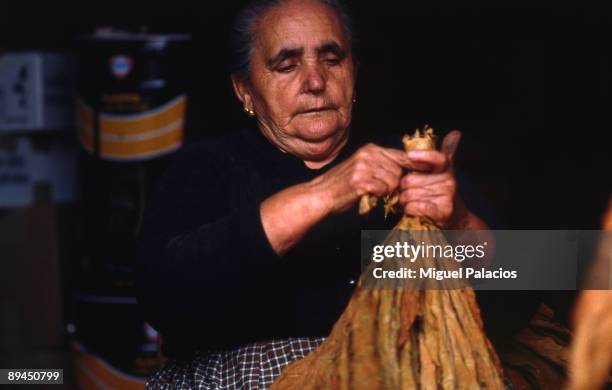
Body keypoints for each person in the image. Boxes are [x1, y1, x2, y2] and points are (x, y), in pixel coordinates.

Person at [136, 0, 538, 388]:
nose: (315, 82)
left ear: (354, 73)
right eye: (286, 65)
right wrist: (324, 194)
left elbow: (525, 299)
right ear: (244, 90)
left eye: (332, 60)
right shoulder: (208, 167)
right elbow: (164, 297)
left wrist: (460, 223)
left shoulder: (415, 162)